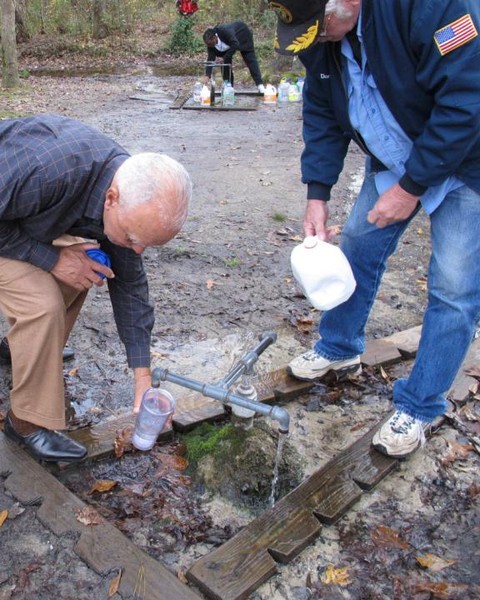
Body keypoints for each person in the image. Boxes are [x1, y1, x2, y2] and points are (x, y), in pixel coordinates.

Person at [0, 115, 192, 463]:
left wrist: (142, 377)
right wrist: (52, 258)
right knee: (41, 303)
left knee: (89, 265)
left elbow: (131, 284)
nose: (136, 250)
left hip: (10, 208)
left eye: (146, 244)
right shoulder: (50, 169)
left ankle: (24, 349)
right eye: (133, 238)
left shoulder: (128, 194)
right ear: (111, 198)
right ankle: (26, 424)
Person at [269, 0, 480, 458]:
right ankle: (340, 346)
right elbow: (323, 114)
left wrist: (411, 188)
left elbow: (467, 100)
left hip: (468, 163)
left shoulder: (432, 7)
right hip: (396, 155)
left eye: (319, 27)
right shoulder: (324, 38)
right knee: (360, 245)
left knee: (453, 287)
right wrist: (317, 192)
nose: (317, 38)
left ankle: (421, 406)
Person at [203, 22, 265, 93]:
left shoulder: (225, 32)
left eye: (210, 44)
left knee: (250, 60)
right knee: (225, 65)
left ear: (214, 38)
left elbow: (235, 44)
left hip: (242, 37)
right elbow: (210, 59)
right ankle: (229, 87)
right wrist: (207, 75)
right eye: (207, 44)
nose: (209, 46)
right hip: (227, 45)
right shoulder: (210, 45)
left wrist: (224, 57)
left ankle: (260, 85)